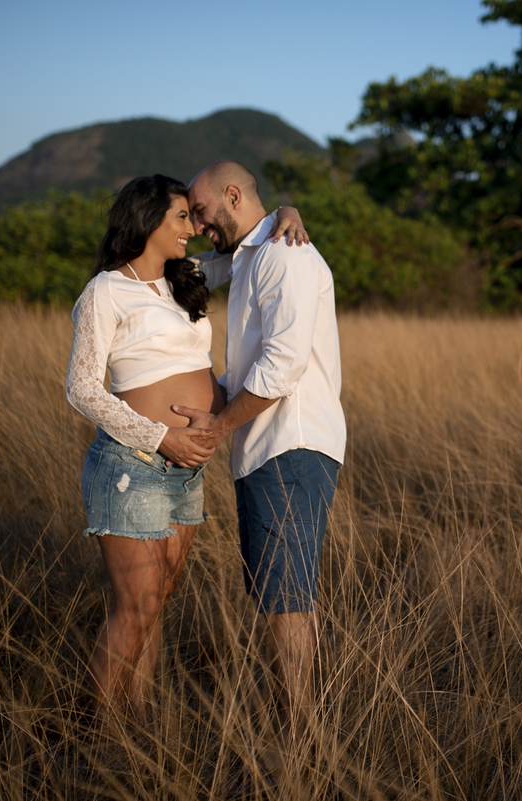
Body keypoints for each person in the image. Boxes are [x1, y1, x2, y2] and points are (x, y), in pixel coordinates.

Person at [64, 174, 307, 717]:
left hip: (186, 471)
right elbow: (81, 389)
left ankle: (138, 721)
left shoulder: (186, 277)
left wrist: (285, 212)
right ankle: (91, 736)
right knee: (136, 608)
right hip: (134, 464)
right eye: (181, 217)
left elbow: (247, 248)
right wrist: (161, 437)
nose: (193, 229)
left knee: (157, 605)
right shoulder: (106, 290)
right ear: (147, 220)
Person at [174, 160, 346, 747]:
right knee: (283, 598)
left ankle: (296, 742)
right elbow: (191, 269)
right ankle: (301, 733)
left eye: (200, 212)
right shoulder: (254, 252)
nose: (198, 226)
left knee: (287, 604)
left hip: (289, 445)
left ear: (231, 195)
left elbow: (283, 367)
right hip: (267, 449)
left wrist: (218, 425)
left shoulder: (284, 256)